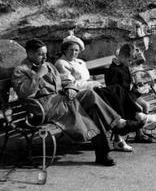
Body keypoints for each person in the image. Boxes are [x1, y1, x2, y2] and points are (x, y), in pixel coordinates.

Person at [12, 39, 141, 166]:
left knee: (90, 96)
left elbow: (65, 80)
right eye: (40, 54)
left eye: (45, 53)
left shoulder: (49, 65)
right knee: (90, 111)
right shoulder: (21, 70)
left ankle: (114, 129)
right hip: (45, 107)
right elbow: (25, 93)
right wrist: (38, 75)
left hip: (61, 100)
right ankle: (106, 145)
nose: (45, 57)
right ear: (29, 54)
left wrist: (71, 88)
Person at [54, 33, 156, 151]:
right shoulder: (61, 63)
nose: (74, 53)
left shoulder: (80, 62)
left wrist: (94, 83)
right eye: (71, 50)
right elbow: (70, 85)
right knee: (116, 93)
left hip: (91, 88)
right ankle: (127, 128)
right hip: (81, 93)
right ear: (64, 49)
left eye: (76, 50)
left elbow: (88, 78)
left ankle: (128, 127)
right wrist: (92, 84)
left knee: (118, 92)